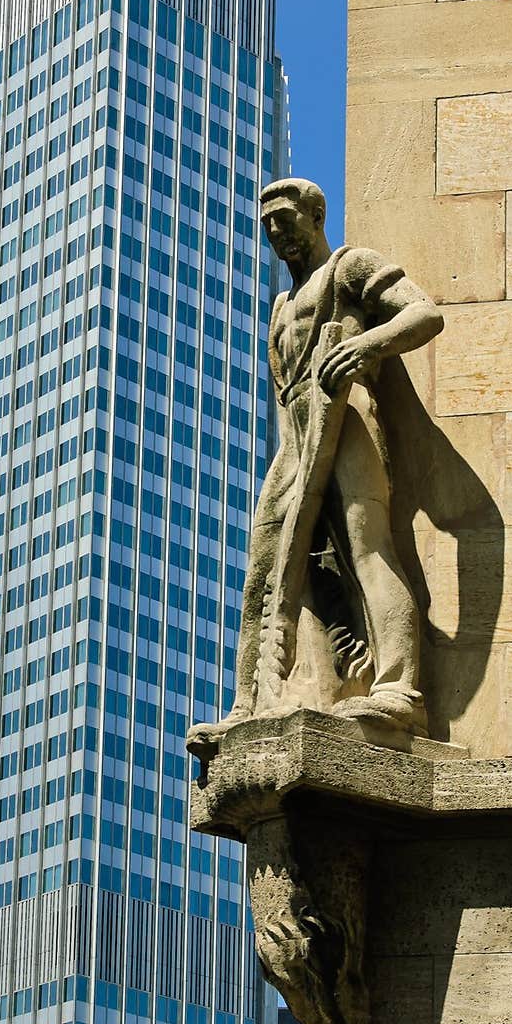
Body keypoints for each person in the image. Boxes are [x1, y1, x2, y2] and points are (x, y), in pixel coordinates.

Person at [189, 177, 444, 750]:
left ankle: (398, 690)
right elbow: (285, 396)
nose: (276, 231)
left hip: (349, 421)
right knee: (265, 565)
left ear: (315, 214)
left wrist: (368, 346)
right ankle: (248, 703)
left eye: (284, 217)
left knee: (367, 545)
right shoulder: (280, 306)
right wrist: (293, 469)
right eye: (267, 224)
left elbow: (424, 314)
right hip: (296, 441)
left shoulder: (350, 268)